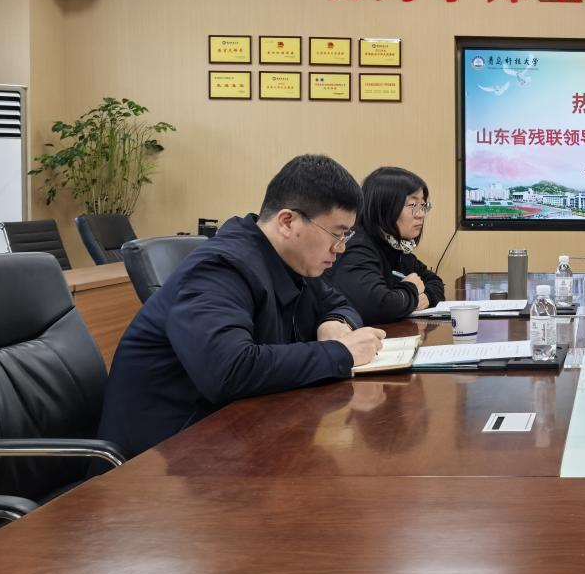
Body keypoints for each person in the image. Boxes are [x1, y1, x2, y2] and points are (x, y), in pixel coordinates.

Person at [97, 154, 385, 459]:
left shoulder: (292, 260)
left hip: (229, 441)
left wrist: (335, 322)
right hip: (161, 460)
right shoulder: (220, 268)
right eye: (336, 234)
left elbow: (339, 303)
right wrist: (340, 353)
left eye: (346, 236)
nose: (340, 248)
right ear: (287, 222)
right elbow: (228, 370)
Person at [329, 166, 446, 324]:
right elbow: (377, 306)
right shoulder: (357, 247)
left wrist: (427, 297)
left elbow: (435, 281)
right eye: (413, 205)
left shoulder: (396, 247)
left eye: (423, 206)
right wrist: (411, 290)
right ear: (384, 207)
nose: (421, 214)